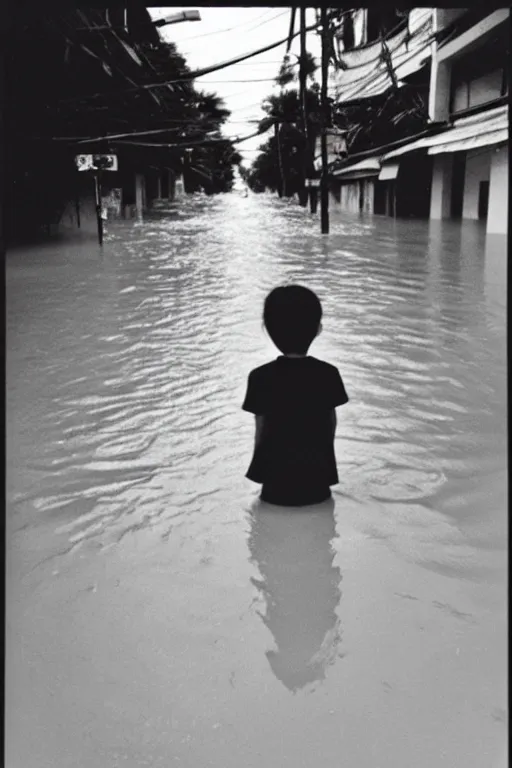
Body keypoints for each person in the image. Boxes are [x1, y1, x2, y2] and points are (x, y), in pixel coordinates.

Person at [242, 285, 349, 506]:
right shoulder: (328, 374)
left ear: (268, 330)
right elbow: (330, 425)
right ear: (318, 328)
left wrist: (258, 472)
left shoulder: (260, 377)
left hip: (274, 487)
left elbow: (260, 429)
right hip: (318, 485)